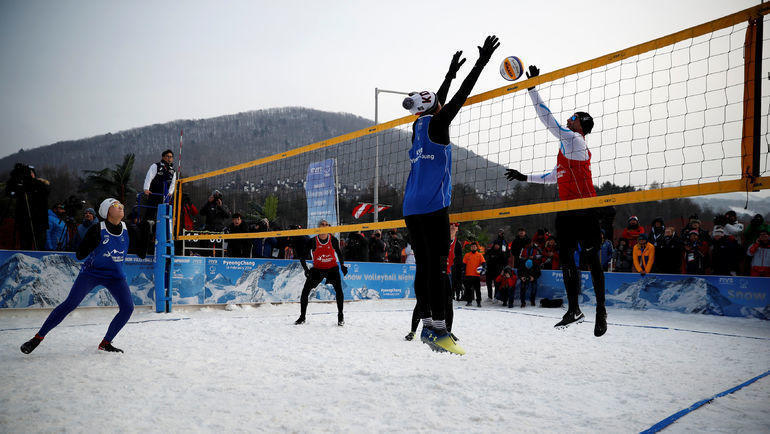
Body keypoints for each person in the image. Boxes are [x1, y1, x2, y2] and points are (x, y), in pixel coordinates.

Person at [401, 35, 498, 355]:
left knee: (424, 268)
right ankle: (439, 331)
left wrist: (449, 73)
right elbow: (460, 96)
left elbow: (438, 101)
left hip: (411, 207)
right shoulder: (439, 124)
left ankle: (428, 325)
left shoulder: (418, 127)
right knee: (439, 270)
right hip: (433, 207)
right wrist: (481, 62)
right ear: (436, 109)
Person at [505, 64, 607, 336]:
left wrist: (532, 88)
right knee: (567, 260)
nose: (569, 119)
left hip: (585, 209)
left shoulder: (575, 140)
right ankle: (574, 309)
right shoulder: (566, 150)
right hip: (566, 211)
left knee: (593, 261)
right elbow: (553, 176)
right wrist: (524, 177)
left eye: (573, 117)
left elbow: (548, 120)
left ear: (580, 125)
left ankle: (601, 310)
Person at [20, 198, 143, 354]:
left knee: (128, 308)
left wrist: (146, 230)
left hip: (115, 276)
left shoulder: (129, 228)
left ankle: (105, 343)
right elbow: (80, 254)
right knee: (70, 304)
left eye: (121, 205)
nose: (121, 207)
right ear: (107, 211)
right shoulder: (97, 229)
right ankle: (37, 338)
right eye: (116, 205)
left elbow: (141, 252)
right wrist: (90, 242)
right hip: (92, 273)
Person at [295, 219, 348, 326]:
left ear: (328, 227)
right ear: (318, 228)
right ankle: (302, 317)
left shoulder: (333, 240)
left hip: (332, 269)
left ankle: (340, 316)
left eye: (326, 225)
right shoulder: (313, 241)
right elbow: (302, 257)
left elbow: (339, 253)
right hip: (318, 270)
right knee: (305, 292)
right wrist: (306, 270)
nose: (324, 226)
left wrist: (342, 265)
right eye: (322, 224)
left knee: (339, 291)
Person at [5, 163, 50, 250]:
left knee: (39, 246)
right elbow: (9, 191)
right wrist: (15, 177)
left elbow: (45, 191)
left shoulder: (40, 185)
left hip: (39, 222)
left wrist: (31, 181)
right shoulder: (22, 187)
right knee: (25, 246)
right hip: (24, 222)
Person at [142, 150, 176, 222]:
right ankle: (147, 225)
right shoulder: (156, 166)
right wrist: (146, 188)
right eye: (168, 156)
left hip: (165, 196)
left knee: (163, 215)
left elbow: (173, 183)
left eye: (171, 157)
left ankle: (160, 226)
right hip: (154, 193)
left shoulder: (173, 170)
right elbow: (149, 177)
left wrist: (170, 192)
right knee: (150, 213)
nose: (169, 158)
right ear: (163, 157)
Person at [462, 242, 486, 308]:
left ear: (476, 247)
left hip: (476, 276)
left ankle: (479, 302)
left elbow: (483, 263)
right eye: (472, 247)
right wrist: (463, 272)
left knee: (477, 290)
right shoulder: (467, 255)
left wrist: (483, 268)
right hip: (468, 275)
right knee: (468, 289)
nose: (473, 248)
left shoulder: (479, 255)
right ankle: (469, 301)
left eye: (474, 247)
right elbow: (464, 264)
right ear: (471, 247)